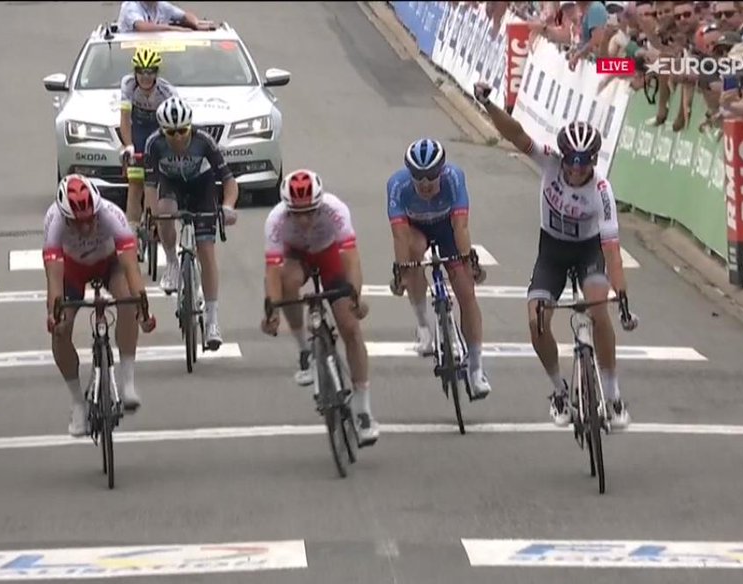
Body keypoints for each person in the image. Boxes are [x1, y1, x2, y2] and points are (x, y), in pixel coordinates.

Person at [474, 82, 638, 429]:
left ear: (594, 160)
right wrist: (488, 103)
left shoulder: (602, 191)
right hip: (552, 250)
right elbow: (515, 134)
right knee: (536, 322)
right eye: (572, 161)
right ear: (562, 156)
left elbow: (612, 250)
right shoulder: (549, 161)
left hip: (588, 251)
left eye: (585, 162)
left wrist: (621, 298)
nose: (577, 169)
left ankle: (613, 395)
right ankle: (560, 391)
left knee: (598, 311)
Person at [261, 170, 380, 445]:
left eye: (311, 212)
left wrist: (355, 298)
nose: (303, 219)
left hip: (329, 255)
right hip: (296, 257)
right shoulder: (276, 220)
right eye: (296, 213)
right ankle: (305, 350)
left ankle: (363, 408)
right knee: (288, 284)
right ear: (286, 208)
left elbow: (351, 258)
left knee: (350, 328)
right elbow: (273, 271)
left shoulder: (335, 210)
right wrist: (272, 312)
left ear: (320, 204)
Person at [44, 174, 156, 437]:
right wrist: (54, 314)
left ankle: (127, 382)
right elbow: (54, 279)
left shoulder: (110, 214)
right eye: (77, 223)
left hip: (109, 264)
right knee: (61, 329)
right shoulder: (54, 222)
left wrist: (144, 310)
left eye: (89, 220)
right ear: (64, 216)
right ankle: (77, 403)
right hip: (72, 271)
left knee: (127, 300)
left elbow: (131, 267)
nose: (85, 228)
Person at [386, 138, 492, 401]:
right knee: (413, 254)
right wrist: (402, 272)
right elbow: (399, 235)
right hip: (415, 230)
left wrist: (470, 262)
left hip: (447, 228)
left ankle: (476, 369)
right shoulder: (397, 185)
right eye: (418, 177)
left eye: (431, 176)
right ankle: (423, 326)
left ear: (442, 171)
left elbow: (461, 227)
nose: (424, 183)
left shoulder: (454, 178)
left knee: (466, 294)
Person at [143, 96, 239, 350]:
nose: (176, 138)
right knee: (164, 210)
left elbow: (229, 180)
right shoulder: (154, 144)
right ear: (162, 131)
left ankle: (212, 319)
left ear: (190, 127)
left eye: (182, 131)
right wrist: (152, 215)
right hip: (172, 185)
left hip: (201, 186)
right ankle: (173, 263)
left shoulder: (203, 141)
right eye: (170, 133)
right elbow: (150, 186)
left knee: (206, 252)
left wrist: (228, 207)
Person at [118, 46, 177, 227]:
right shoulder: (128, 85)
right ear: (135, 72)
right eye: (141, 72)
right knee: (135, 184)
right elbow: (125, 120)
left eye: (150, 72)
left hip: (159, 130)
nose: (145, 77)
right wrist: (128, 146)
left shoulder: (167, 92)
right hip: (139, 131)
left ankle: (155, 225)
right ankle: (133, 229)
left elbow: (174, 124)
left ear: (156, 73)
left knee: (154, 185)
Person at [116, 1, 215, 32]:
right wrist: (172, 28)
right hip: (129, 52)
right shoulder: (130, 6)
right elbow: (141, 26)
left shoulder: (162, 6)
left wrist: (196, 24)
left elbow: (185, 16)